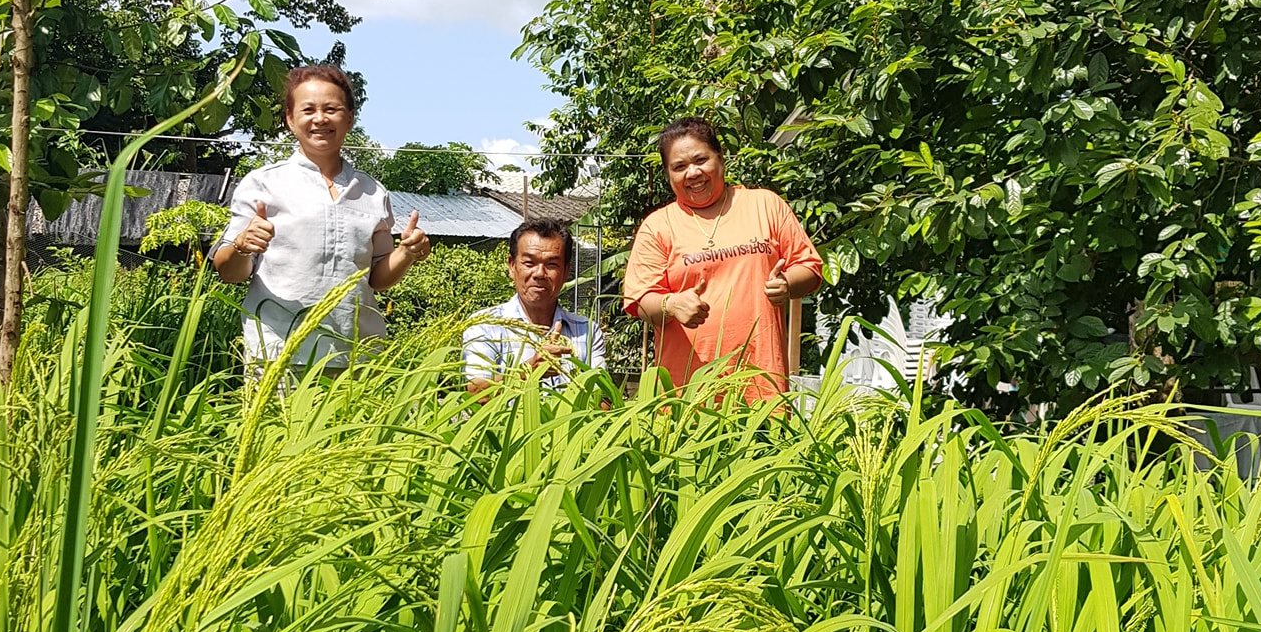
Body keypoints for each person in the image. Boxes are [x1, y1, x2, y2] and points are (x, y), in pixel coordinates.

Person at [211, 62, 431, 372]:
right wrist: (243, 245)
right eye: (308, 109)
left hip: (356, 354)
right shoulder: (264, 184)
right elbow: (229, 271)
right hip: (279, 353)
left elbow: (378, 279)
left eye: (332, 109)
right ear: (290, 119)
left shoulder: (372, 192)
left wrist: (406, 253)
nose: (320, 119)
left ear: (350, 119)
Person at [622, 119, 821, 401]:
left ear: (721, 157)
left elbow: (810, 269)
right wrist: (671, 304)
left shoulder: (765, 204)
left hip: (762, 384)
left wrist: (787, 284)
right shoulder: (658, 226)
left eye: (701, 160)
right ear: (668, 174)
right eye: (679, 167)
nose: (693, 173)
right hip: (687, 391)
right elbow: (640, 301)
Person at [464, 218, 606, 393]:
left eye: (551, 264)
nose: (539, 273)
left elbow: (604, 399)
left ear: (566, 272)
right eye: (529, 263)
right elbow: (476, 393)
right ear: (511, 266)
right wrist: (530, 370)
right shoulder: (484, 325)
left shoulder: (588, 332)